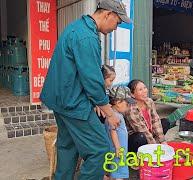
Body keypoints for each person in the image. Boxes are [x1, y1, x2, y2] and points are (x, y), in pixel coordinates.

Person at [39, 0, 131, 179]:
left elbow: (80, 72)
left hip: (60, 100)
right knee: (99, 151)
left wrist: (96, 101)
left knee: (68, 147)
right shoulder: (87, 37)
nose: (116, 28)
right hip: (74, 102)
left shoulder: (77, 28)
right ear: (108, 14)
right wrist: (109, 113)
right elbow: (92, 79)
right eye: (118, 23)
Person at [124, 79, 170, 153]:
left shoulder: (149, 101)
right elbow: (142, 130)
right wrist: (155, 149)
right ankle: (136, 155)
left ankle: (152, 146)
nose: (144, 91)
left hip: (149, 132)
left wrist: (163, 141)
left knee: (165, 122)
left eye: (145, 88)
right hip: (136, 139)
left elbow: (155, 121)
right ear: (132, 94)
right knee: (141, 137)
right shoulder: (131, 109)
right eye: (140, 90)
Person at [104, 86, 136, 180]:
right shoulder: (115, 117)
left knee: (114, 171)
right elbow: (113, 131)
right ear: (118, 103)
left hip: (116, 149)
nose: (129, 106)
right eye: (127, 104)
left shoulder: (114, 115)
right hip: (118, 151)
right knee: (118, 172)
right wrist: (118, 148)